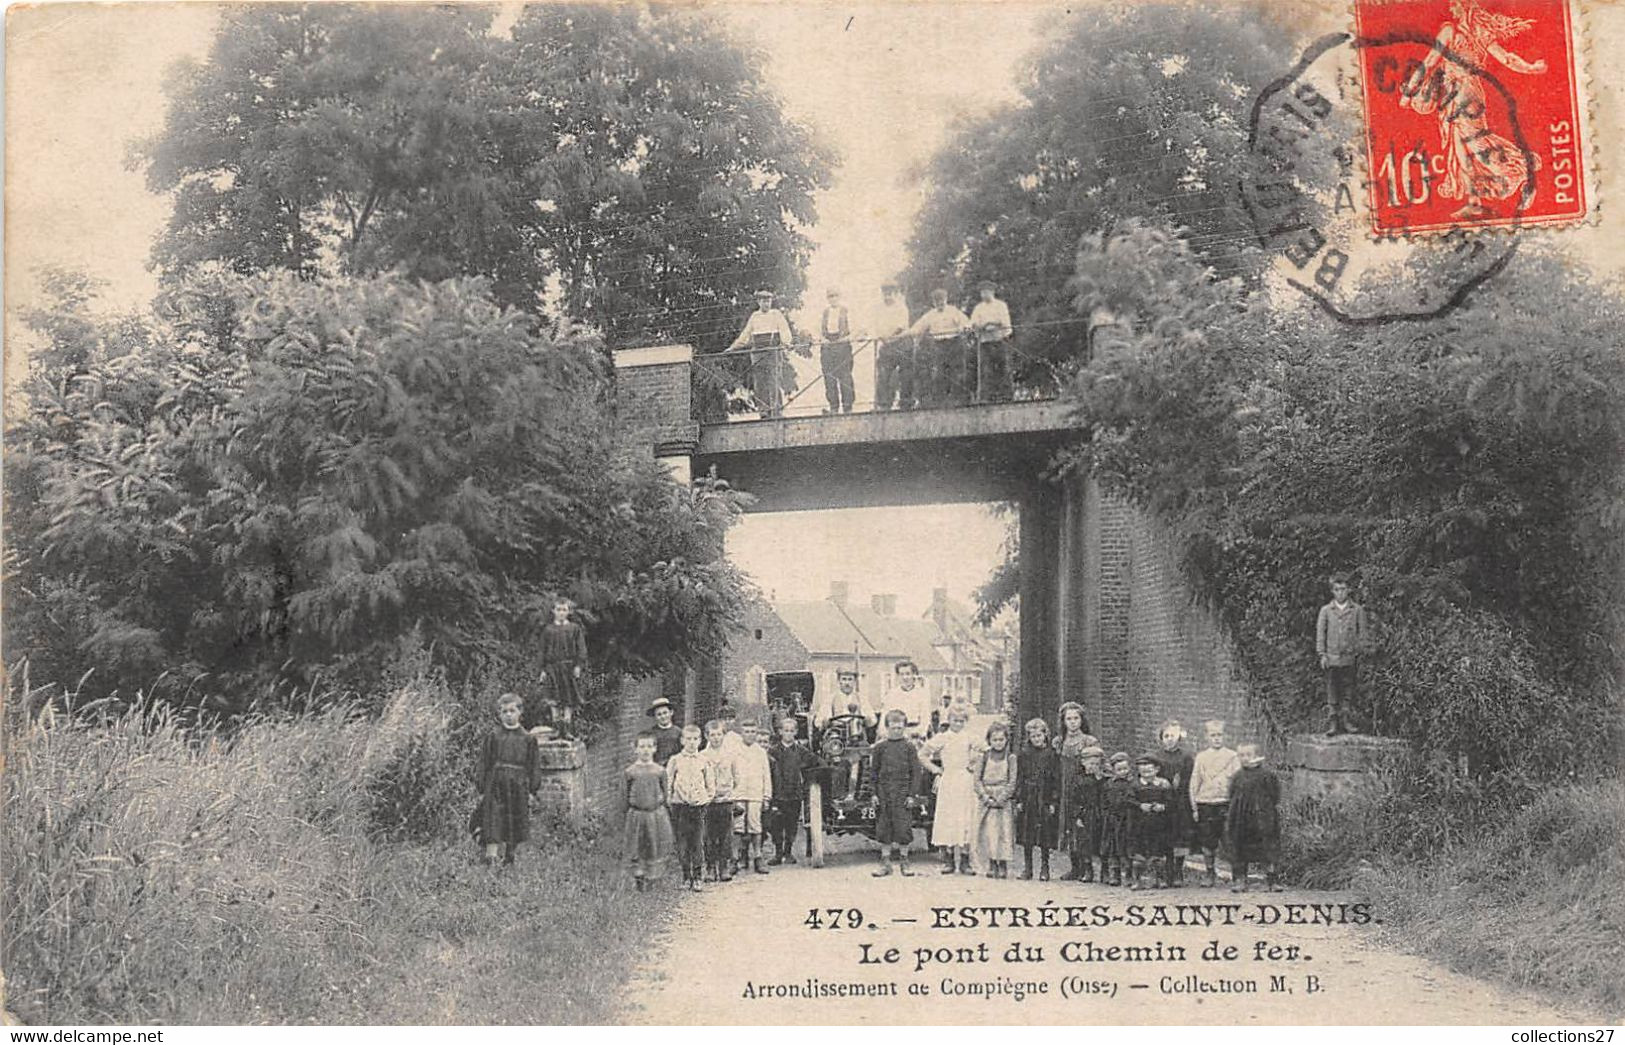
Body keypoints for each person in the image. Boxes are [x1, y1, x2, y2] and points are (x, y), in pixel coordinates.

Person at [1399, 0, 1548, 218]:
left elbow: (1430, 61)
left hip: (1459, 93)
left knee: (1477, 146)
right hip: (1465, 92)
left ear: (1465, 6)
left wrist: (1408, 92)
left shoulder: (1450, 30)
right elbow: (1507, 59)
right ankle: (1473, 201)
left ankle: (1523, 174)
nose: (1451, 8)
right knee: (1461, 150)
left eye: (1455, 4)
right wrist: (1530, 68)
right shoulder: (1481, 34)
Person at [474, 692, 539, 867]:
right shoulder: (493, 736)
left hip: (518, 785)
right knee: (493, 819)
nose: (508, 715)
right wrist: (481, 787)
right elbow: (484, 762)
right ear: (499, 714)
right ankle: (491, 859)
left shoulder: (528, 739)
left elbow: (533, 766)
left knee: (514, 819)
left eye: (512, 711)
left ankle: (510, 857)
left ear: (520, 712)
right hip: (495, 784)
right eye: (504, 711)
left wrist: (533, 790)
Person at [918, 705, 979, 874]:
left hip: (965, 781)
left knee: (965, 817)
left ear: (966, 721)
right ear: (949, 720)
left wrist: (974, 765)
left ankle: (965, 861)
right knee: (950, 818)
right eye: (955, 720)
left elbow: (986, 751)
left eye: (961, 721)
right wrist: (935, 769)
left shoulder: (969, 737)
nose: (958, 724)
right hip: (949, 780)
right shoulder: (942, 737)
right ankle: (949, 859)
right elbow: (922, 754)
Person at [727, 289, 796, 419]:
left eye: (768, 301)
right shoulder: (755, 316)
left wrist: (786, 342)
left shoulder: (776, 314)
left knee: (773, 380)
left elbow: (785, 331)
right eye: (764, 301)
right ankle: (764, 411)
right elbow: (745, 335)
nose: (766, 304)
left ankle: (776, 411)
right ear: (759, 302)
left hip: (772, 352)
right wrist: (733, 347)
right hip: (757, 353)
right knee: (760, 382)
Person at [1189, 719, 1242, 888]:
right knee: (1207, 841)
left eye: (1219, 735)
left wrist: (1235, 805)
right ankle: (1210, 873)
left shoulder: (1232, 756)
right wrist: (1194, 806)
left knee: (1230, 840)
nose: (1217, 738)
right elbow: (1194, 782)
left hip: (1225, 804)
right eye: (1213, 735)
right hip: (1206, 803)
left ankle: (1237, 876)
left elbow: (1237, 782)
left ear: (1225, 736)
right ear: (1207, 737)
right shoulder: (1201, 757)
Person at [869, 709, 921, 877]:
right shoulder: (880, 748)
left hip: (903, 791)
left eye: (899, 728)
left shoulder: (909, 747)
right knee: (884, 827)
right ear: (886, 728)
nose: (896, 731)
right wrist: (874, 794)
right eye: (893, 728)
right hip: (884, 792)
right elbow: (874, 773)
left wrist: (912, 795)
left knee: (903, 827)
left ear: (904, 728)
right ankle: (885, 863)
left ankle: (904, 862)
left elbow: (916, 773)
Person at [1226, 743, 1283, 893]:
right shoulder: (1237, 776)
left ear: (1257, 757)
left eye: (1248, 755)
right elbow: (1231, 794)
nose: (1245, 758)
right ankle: (1240, 879)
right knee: (1240, 847)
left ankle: (1271, 880)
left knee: (1267, 847)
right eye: (1242, 755)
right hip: (1241, 818)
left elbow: (1275, 795)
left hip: (1262, 817)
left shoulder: (1267, 775)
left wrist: (1266, 810)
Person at [1316, 573, 1369, 735]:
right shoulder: (1326, 611)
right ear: (1333, 591)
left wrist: (1359, 652)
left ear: (1349, 590)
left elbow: (1363, 634)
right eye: (1337, 589)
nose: (1340, 593)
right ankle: (1333, 722)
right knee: (1332, 688)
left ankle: (1346, 720)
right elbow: (1321, 633)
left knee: (1348, 688)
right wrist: (1322, 654)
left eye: (1343, 589)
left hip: (1349, 657)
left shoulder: (1357, 610)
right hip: (1331, 657)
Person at [1053, 701, 1098, 880]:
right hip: (1066, 789)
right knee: (1068, 827)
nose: (1072, 722)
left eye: (1076, 718)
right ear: (1063, 721)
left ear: (1082, 720)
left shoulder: (1089, 741)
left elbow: (1097, 765)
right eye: (1068, 719)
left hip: (1083, 790)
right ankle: (1075, 867)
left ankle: (1088, 868)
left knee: (1083, 828)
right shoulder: (1059, 742)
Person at [665, 724, 714, 891]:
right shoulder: (675, 760)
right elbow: (669, 782)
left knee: (697, 840)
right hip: (680, 806)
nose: (691, 743)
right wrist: (670, 800)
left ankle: (698, 875)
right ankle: (686, 875)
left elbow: (710, 784)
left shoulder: (704, 761)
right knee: (682, 842)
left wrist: (705, 799)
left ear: (700, 741)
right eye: (688, 739)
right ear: (682, 740)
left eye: (695, 739)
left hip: (698, 807)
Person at [624, 734, 674, 892]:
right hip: (637, 814)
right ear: (635, 749)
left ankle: (653, 877)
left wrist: (664, 809)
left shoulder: (660, 771)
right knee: (638, 845)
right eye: (642, 746)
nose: (645, 750)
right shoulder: (630, 772)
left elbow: (665, 793)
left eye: (649, 746)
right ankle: (639, 877)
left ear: (654, 748)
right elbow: (624, 795)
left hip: (656, 814)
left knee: (654, 844)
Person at [1150, 720, 1195, 887]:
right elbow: (1150, 776)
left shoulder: (1186, 757)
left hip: (1180, 801)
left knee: (1179, 835)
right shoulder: (1156, 757)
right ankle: (1165, 871)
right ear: (1161, 738)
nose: (1169, 739)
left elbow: (1192, 778)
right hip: (1163, 801)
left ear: (1179, 737)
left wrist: (1181, 784)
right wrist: (1161, 783)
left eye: (1173, 736)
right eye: (1166, 736)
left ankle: (1178, 870)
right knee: (1164, 835)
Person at [907, 287, 971, 406]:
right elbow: (918, 327)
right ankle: (941, 401)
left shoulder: (953, 311)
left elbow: (965, 322)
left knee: (957, 372)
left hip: (954, 343)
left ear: (946, 299)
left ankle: (958, 400)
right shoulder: (930, 315)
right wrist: (908, 333)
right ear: (933, 302)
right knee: (940, 373)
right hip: (939, 346)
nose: (940, 303)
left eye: (942, 300)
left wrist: (965, 327)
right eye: (937, 301)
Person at [1013, 717, 1059, 880]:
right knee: (1027, 833)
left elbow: (1055, 779)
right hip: (1028, 797)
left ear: (1045, 735)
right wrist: (1019, 799)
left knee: (1045, 833)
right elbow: (1020, 777)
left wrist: (1053, 801)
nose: (1036, 739)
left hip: (1044, 796)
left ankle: (1045, 868)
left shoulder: (1051, 755)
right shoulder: (1024, 754)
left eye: (1039, 736)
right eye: (1033, 737)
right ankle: (1028, 868)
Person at [768, 715, 816, 865]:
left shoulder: (801, 751)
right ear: (780, 732)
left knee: (791, 824)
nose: (788, 733)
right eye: (785, 730)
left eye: (791, 731)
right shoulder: (773, 751)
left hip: (794, 793)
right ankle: (778, 853)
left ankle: (788, 852)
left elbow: (813, 763)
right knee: (776, 824)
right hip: (777, 793)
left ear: (795, 732)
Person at [972, 720, 1018, 878]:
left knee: (1004, 832)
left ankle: (1003, 863)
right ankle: (991, 862)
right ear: (989, 740)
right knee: (988, 832)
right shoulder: (983, 757)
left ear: (1006, 740)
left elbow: (1012, 781)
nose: (998, 743)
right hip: (987, 798)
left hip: (1003, 799)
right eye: (995, 740)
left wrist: (1003, 798)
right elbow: (977, 780)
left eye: (1001, 739)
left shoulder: (1011, 758)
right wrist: (985, 797)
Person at [537, 599, 588, 733]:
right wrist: (542, 669)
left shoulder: (574, 629)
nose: (561, 613)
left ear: (569, 612)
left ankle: (567, 730)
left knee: (568, 698)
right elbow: (542, 650)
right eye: (558, 609)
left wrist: (578, 666)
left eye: (564, 610)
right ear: (553, 611)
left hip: (568, 668)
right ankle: (556, 730)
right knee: (553, 698)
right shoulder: (548, 630)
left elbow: (581, 648)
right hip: (552, 668)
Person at [731, 720, 774, 875]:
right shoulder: (734, 751)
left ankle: (757, 857)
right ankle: (735, 859)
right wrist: (732, 795)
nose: (750, 735)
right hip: (739, 793)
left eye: (753, 732)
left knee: (755, 826)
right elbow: (730, 773)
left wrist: (766, 796)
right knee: (738, 827)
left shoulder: (761, 752)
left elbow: (766, 775)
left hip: (756, 793)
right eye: (747, 731)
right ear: (741, 733)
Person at [1128, 753, 1174, 891]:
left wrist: (1163, 806)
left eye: (1149, 771)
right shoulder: (1135, 785)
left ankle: (1159, 878)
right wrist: (1140, 806)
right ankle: (1137, 880)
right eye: (1143, 772)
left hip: (1158, 825)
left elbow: (1171, 802)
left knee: (1158, 852)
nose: (1146, 775)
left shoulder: (1163, 785)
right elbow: (1129, 800)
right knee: (1138, 854)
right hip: (1140, 825)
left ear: (1156, 770)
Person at [702, 719, 737, 883]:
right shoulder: (702, 756)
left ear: (724, 735)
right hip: (709, 802)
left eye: (719, 734)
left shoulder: (730, 755)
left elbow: (737, 777)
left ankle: (724, 866)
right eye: (712, 735)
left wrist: (732, 794)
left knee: (726, 835)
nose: (716, 738)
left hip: (726, 799)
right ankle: (710, 866)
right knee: (709, 835)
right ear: (707, 736)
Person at [873, 282, 916, 411]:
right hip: (887, 345)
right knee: (883, 373)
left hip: (902, 343)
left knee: (906, 374)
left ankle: (906, 403)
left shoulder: (901, 307)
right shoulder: (879, 309)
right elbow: (876, 325)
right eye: (885, 294)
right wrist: (881, 336)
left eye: (890, 294)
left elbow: (901, 326)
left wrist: (889, 336)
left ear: (895, 294)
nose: (887, 297)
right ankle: (884, 404)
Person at [969, 279, 1013, 403]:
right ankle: (986, 398)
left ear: (992, 292)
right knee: (985, 370)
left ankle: (1007, 397)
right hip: (985, 342)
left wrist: (991, 323)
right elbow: (973, 323)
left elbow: (1004, 322)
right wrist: (980, 327)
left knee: (1003, 368)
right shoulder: (978, 308)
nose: (984, 294)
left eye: (987, 291)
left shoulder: (1001, 305)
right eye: (982, 292)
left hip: (1000, 340)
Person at [1069, 746, 1107, 883]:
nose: (1093, 766)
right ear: (1083, 763)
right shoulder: (1079, 780)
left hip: (1101, 813)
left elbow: (1105, 795)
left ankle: (1105, 870)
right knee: (1085, 842)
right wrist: (1077, 815)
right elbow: (1074, 799)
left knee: (1102, 841)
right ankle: (1087, 869)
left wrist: (1099, 778)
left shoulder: (1104, 779)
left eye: (1097, 764)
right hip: (1086, 814)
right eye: (1090, 763)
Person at [816, 288, 856, 414]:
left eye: (835, 296)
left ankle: (847, 406)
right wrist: (823, 339)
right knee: (829, 377)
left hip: (842, 346)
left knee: (845, 376)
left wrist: (845, 339)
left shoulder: (846, 311)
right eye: (830, 296)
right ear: (827, 298)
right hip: (828, 346)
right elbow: (818, 331)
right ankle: (833, 406)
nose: (833, 298)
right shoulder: (824, 313)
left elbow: (855, 330)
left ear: (839, 296)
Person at [1099, 752, 1136, 886]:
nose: (1122, 772)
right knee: (1113, 846)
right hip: (1113, 820)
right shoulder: (1109, 784)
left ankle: (1129, 873)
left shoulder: (1133, 783)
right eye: (1119, 769)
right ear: (1113, 770)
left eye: (1125, 769)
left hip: (1128, 819)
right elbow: (1103, 802)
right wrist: (1106, 815)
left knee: (1127, 847)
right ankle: (1115, 873)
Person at [889, 661, 932, 739]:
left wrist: (919, 733)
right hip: (897, 733)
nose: (905, 677)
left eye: (908, 674)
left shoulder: (922, 693)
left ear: (913, 675)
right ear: (898, 676)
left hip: (915, 733)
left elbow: (925, 718)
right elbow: (887, 716)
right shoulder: (892, 694)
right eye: (902, 674)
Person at [647, 697, 683, 766]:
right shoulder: (650, 734)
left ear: (671, 712)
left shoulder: (678, 732)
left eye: (665, 713)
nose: (663, 717)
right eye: (659, 714)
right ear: (655, 716)